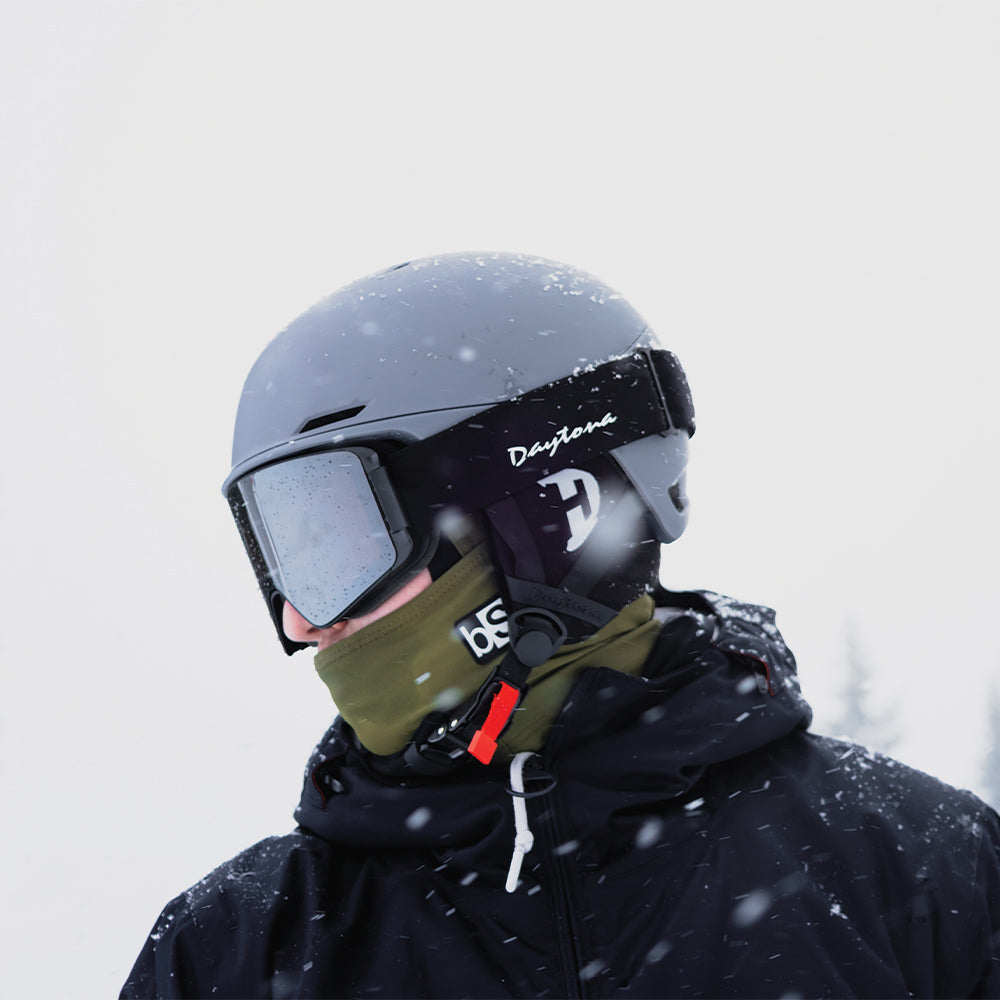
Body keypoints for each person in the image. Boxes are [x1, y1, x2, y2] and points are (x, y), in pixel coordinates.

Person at [122, 252, 1000, 999]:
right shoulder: (234, 951)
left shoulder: (922, 873)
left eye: (342, 542)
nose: (299, 618)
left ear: (555, 519)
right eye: (287, 556)